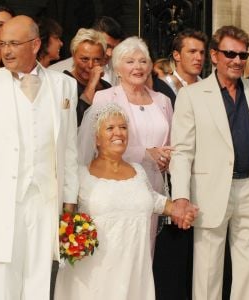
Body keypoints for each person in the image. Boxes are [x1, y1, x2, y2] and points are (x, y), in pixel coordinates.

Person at [0, 15, 79, 299]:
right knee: (0, 287)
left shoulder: (64, 86)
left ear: (35, 44)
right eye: (1, 43)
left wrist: (69, 201)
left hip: (45, 202)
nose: (5, 50)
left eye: (13, 44)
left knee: (40, 285)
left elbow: (69, 148)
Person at [54, 103, 198, 300]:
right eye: (110, 128)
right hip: (93, 276)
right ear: (96, 138)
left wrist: (178, 209)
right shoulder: (80, 174)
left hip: (133, 271)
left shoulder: (138, 171)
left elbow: (152, 200)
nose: (118, 133)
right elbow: (65, 216)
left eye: (123, 127)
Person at [170, 25, 249, 300]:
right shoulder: (191, 95)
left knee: (248, 269)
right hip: (209, 192)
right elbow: (182, 152)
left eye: (242, 55)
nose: (237, 61)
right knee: (207, 271)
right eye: (230, 54)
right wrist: (180, 197)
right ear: (214, 55)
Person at [78, 36, 173, 254]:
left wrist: (168, 158)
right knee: (115, 250)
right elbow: (96, 144)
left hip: (153, 187)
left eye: (142, 61)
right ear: (118, 68)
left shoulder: (163, 101)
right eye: (130, 61)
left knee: (144, 251)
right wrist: (146, 153)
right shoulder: (104, 97)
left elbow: (173, 142)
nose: (137, 67)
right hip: (114, 186)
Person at [152, 27, 207, 300]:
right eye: (191, 52)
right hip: (171, 180)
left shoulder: (210, 87)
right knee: (172, 259)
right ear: (176, 55)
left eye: (201, 52)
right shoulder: (162, 88)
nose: (198, 58)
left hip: (206, 182)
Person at [49, 16, 124, 85]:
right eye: (106, 46)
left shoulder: (118, 68)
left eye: (115, 48)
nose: (110, 53)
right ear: (92, 38)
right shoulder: (56, 72)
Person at [64, 28, 111, 126]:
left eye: (97, 59)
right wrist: (91, 84)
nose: (90, 65)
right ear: (73, 56)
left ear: (103, 60)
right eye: (84, 59)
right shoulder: (64, 83)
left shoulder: (107, 87)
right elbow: (76, 121)